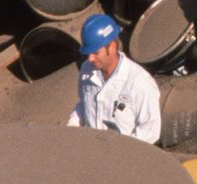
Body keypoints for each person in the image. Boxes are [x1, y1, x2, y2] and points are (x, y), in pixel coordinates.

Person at [63, 12, 162, 143]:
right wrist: (72, 128)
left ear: (112, 47)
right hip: (90, 152)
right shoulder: (87, 69)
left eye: (96, 53)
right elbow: (83, 104)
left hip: (123, 157)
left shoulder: (140, 82)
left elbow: (151, 130)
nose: (90, 58)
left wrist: (120, 151)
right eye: (88, 53)